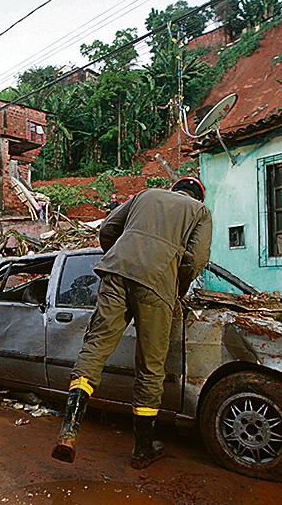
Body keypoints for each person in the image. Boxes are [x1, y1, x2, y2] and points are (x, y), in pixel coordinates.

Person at [51, 176, 211, 469]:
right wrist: (178, 287)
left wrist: (119, 257)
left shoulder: (146, 194)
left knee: (95, 348)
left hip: (115, 274)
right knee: (151, 367)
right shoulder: (199, 212)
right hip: (157, 284)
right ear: (198, 196)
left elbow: (108, 228)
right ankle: (142, 448)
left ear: (173, 188)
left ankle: (69, 430)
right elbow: (196, 259)